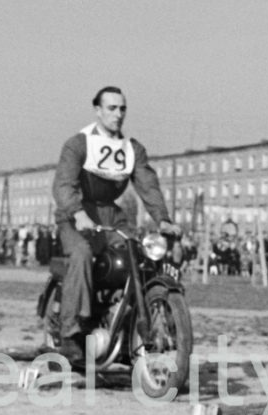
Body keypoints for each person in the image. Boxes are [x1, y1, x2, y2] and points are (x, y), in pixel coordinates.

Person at [52, 86, 178, 363]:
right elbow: (63, 184)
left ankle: (134, 322)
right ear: (97, 110)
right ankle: (71, 333)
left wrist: (163, 219)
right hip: (77, 213)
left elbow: (148, 185)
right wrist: (76, 212)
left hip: (112, 215)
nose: (118, 114)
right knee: (82, 254)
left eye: (122, 108)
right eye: (111, 108)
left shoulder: (132, 149)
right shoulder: (79, 144)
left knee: (139, 257)